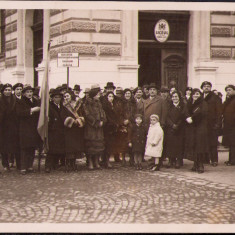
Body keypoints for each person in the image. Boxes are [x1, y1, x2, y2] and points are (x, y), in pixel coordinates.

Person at [16, 85, 41, 175]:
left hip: (34, 127)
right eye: (27, 92)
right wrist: (32, 110)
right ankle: (23, 167)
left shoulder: (36, 101)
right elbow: (19, 113)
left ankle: (30, 166)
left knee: (32, 147)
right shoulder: (20, 102)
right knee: (24, 148)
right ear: (23, 93)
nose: (29, 94)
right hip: (25, 128)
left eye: (30, 92)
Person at [184, 88, 209, 173]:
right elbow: (186, 110)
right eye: (194, 94)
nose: (195, 95)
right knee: (193, 145)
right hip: (192, 127)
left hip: (200, 127)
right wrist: (187, 117)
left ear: (200, 95)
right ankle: (195, 164)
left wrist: (192, 118)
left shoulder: (203, 103)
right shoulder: (190, 102)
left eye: (197, 94)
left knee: (200, 146)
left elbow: (202, 113)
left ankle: (200, 165)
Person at [83, 84, 107, 170]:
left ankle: (96, 161)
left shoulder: (99, 103)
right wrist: (96, 123)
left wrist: (103, 121)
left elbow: (103, 113)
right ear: (93, 95)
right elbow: (87, 115)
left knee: (98, 145)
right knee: (90, 145)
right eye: (97, 94)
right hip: (91, 128)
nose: (99, 95)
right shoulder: (87, 103)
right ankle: (90, 162)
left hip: (99, 128)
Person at [60, 90, 85, 172]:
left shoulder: (77, 104)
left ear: (71, 96)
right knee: (69, 147)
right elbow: (63, 116)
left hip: (77, 129)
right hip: (68, 129)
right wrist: (72, 121)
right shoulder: (63, 106)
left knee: (75, 147)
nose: (66, 97)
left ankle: (73, 163)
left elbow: (82, 114)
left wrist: (80, 120)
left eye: (67, 95)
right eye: (65, 96)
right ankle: (68, 164)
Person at [201, 81, 222, 166]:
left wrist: (217, 123)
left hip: (212, 124)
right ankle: (205, 159)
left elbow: (219, 112)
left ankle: (214, 160)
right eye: (205, 86)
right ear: (202, 88)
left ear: (210, 87)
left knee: (213, 143)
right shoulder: (200, 96)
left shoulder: (215, 97)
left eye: (208, 86)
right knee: (204, 142)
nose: (206, 87)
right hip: (202, 124)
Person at [0, 84, 20, 171]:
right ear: (3, 91)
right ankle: (5, 164)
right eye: (6, 90)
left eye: (9, 90)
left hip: (13, 125)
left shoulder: (14, 100)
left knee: (15, 144)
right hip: (3, 126)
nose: (8, 91)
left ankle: (15, 162)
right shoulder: (0, 100)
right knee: (3, 146)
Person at [45, 89, 65, 173]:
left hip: (60, 129)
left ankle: (55, 164)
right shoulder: (49, 107)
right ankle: (48, 165)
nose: (58, 99)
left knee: (59, 148)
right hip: (52, 130)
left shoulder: (62, 107)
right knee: (51, 149)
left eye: (59, 97)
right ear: (52, 98)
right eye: (56, 97)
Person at [165, 91, 186, 169]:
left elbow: (183, 116)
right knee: (171, 144)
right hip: (170, 128)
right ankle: (171, 160)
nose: (174, 98)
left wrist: (177, 125)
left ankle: (179, 160)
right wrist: (172, 125)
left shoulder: (183, 106)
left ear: (179, 97)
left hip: (180, 128)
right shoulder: (168, 106)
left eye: (176, 96)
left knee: (179, 144)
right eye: (173, 97)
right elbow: (166, 117)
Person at [102, 91, 121, 168]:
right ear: (107, 97)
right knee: (107, 144)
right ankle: (106, 161)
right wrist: (112, 122)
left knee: (111, 144)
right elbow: (106, 116)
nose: (111, 98)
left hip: (113, 127)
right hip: (107, 127)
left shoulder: (114, 105)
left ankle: (107, 160)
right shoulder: (105, 106)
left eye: (112, 97)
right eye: (109, 96)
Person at [119, 88, 136, 166]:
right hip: (124, 125)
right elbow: (119, 113)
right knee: (123, 142)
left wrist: (129, 120)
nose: (128, 95)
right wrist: (123, 121)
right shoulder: (121, 103)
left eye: (129, 93)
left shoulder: (133, 103)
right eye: (126, 94)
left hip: (132, 124)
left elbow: (135, 113)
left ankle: (131, 159)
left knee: (131, 141)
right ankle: (123, 158)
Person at [222, 85, 235, 166]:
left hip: (233, 125)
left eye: (229, 90)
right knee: (231, 143)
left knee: (233, 143)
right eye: (226, 90)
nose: (228, 92)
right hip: (229, 125)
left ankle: (232, 160)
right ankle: (230, 159)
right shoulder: (229, 100)